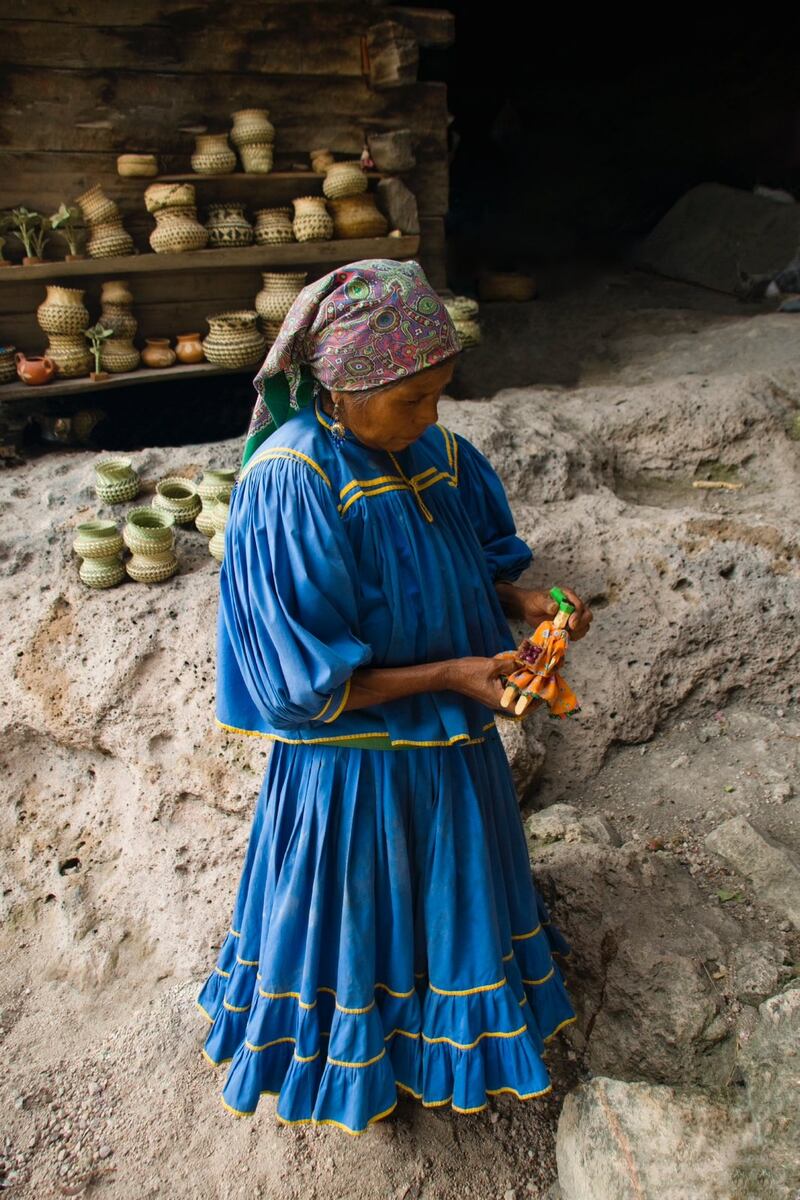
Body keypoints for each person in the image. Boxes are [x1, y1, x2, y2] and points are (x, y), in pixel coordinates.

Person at [195, 258, 593, 1135]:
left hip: (453, 758)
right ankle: (361, 1076)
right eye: (410, 399)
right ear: (339, 385)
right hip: (354, 779)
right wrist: (453, 675)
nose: (431, 416)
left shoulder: (438, 455)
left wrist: (522, 602)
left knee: (447, 913)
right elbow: (307, 687)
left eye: (440, 393)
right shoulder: (291, 483)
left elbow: (462, 566)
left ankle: (442, 1055)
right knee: (363, 930)